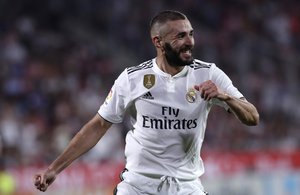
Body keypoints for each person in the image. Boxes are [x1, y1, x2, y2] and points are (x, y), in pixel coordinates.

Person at [34, 10, 259, 195]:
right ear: (158, 42)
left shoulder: (209, 74)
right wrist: (54, 169)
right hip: (138, 186)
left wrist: (225, 96)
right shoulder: (133, 78)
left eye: (191, 34)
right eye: (180, 36)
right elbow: (98, 125)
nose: (189, 41)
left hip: (186, 187)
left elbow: (252, 118)